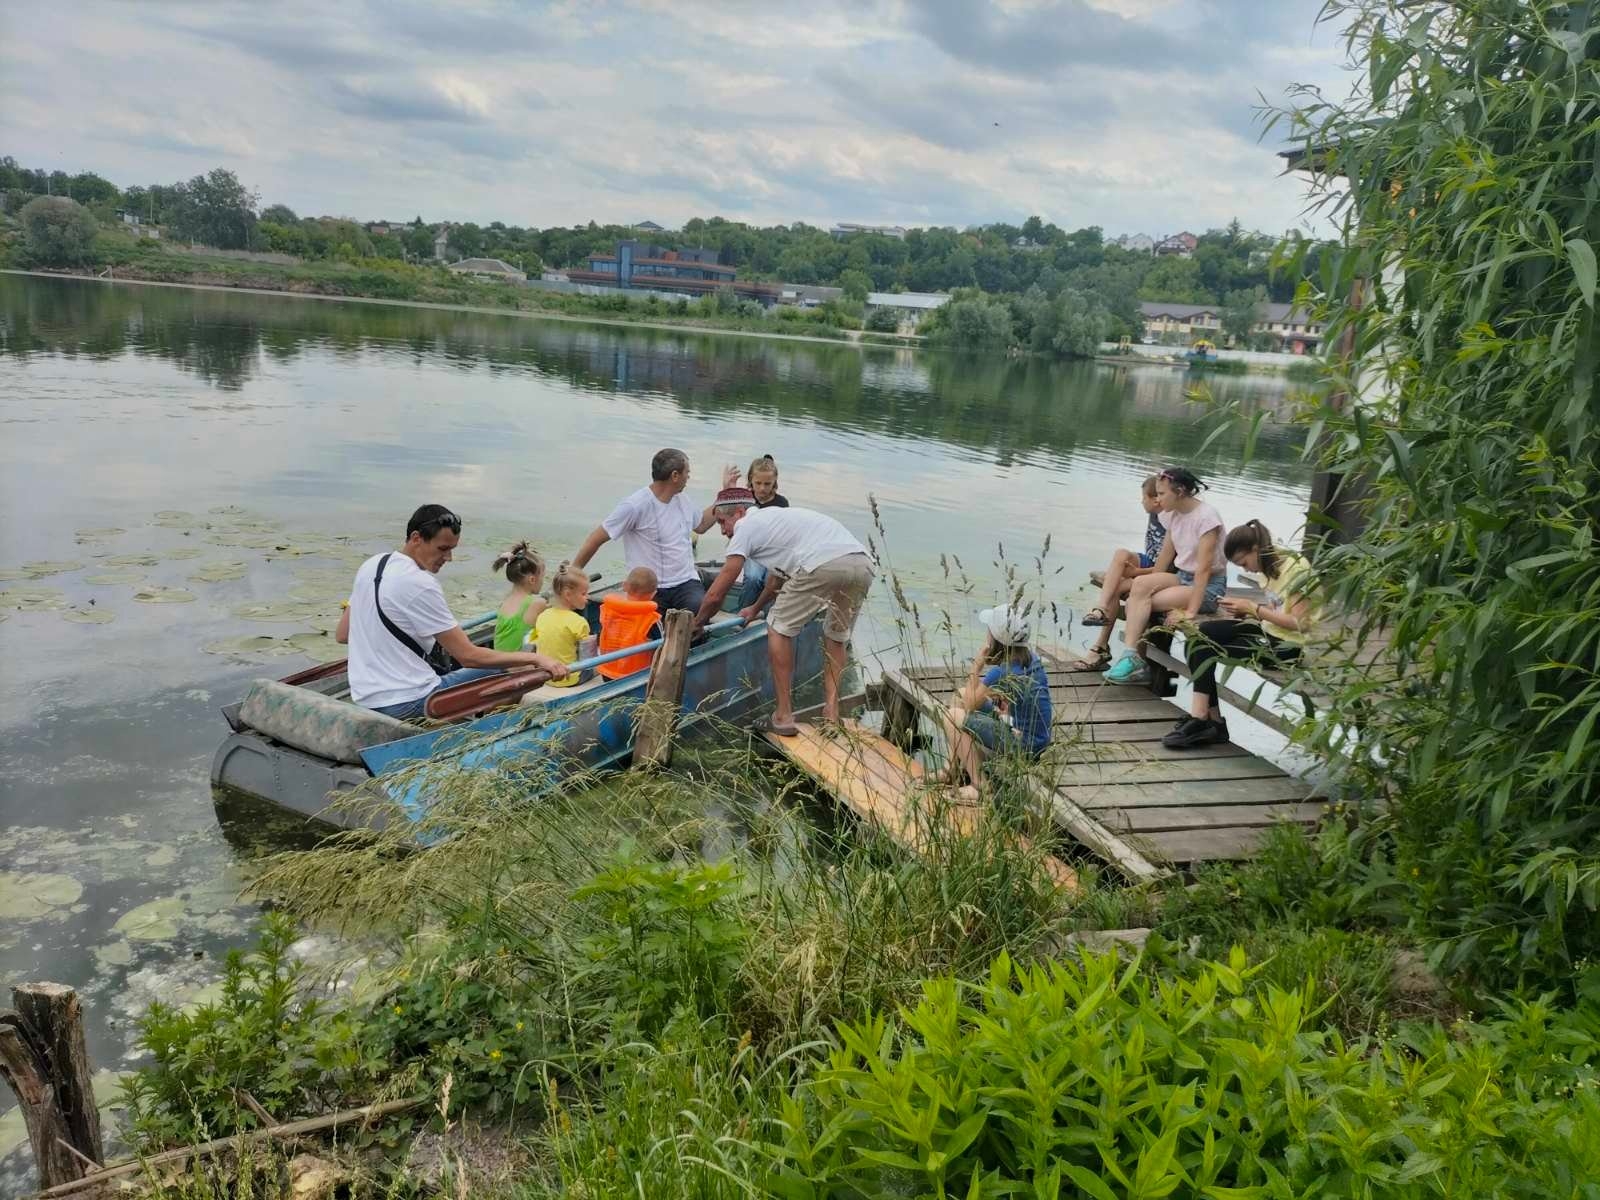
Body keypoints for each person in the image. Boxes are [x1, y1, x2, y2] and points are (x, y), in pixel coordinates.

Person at [335, 505, 567, 719]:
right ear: (416, 538)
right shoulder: (420, 583)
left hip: (365, 699)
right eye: (443, 549)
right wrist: (536, 658)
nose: (449, 558)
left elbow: (343, 634)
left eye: (452, 549)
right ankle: (491, 729)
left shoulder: (373, 565)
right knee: (519, 666)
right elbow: (469, 656)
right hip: (412, 702)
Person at [693, 489, 874, 736]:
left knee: (778, 628)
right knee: (836, 636)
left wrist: (698, 623)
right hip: (862, 564)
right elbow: (775, 579)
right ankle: (831, 715)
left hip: (822, 563)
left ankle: (783, 716)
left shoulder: (745, 526)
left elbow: (718, 590)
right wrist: (755, 608)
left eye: (723, 523)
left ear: (739, 512)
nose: (724, 530)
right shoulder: (777, 520)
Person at [1165, 520, 1319, 749]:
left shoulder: (1295, 568)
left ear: (1255, 549)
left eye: (1244, 563)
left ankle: (1202, 720)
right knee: (1201, 634)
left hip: (1290, 647)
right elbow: (1275, 610)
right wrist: (1244, 613)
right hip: (1269, 631)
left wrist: (1254, 609)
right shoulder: (1268, 564)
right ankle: (1211, 721)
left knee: (1205, 647)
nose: (1246, 570)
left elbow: (1300, 624)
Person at [570, 448, 738, 616]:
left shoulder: (683, 500)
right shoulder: (635, 506)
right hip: (648, 586)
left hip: (685, 582)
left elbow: (701, 525)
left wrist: (726, 493)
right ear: (674, 476)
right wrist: (572, 575)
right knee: (648, 628)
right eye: (687, 472)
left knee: (701, 613)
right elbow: (596, 538)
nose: (688, 477)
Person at [1103, 466, 1227, 685]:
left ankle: (1135, 664)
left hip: (1207, 587)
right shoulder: (1173, 515)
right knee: (1139, 589)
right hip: (1183, 577)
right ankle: (1131, 656)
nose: (1158, 499)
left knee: (1140, 601)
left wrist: (1190, 612)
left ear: (1179, 492)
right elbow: (1165, 557)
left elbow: (1204, 569)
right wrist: (1149, 583)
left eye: (1161, 494)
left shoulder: (1207, 518)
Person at [938, 605, 1053, 801]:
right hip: (1037, 738)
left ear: (996, 640)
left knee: (953, 717)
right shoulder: (1030, 659)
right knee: (960, 694)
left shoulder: (1002, 671)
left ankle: (979, 786)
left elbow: (971, 704)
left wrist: (977, 665)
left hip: (1024, 746)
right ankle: (951, 770)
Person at [1072, 475, 1166, 670]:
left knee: (1116, 585)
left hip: (1163, 574)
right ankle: (1100, 609)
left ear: (1156, 499)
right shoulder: (1156, 513)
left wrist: (1136, 572)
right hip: (1150, 563)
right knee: (1121, 554)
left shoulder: (1173, 521)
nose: (1141, 501)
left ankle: (1101, 647)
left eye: (1144, 497)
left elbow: (1166, 569)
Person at [738, 454, 789, 610]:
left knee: (771, 581)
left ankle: (767, 616)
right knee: (753, 577)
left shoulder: (781, 503)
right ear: (750, 481)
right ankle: (742, 613)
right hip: (753, 549)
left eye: (767, 484)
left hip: (773, 550)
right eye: (758, 483)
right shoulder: (745, 499)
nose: (762, 488)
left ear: (774, 483)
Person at [597, 566, 662, 680]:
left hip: (607, 674)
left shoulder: (607, 610)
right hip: (635, 677)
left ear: (624, 585)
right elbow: (662, 647)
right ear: (653, 594)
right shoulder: (651, 619)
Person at [534, 565, 592, 687]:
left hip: (545, 676)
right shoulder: (579, 622)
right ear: (568, 594)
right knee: (599, 665)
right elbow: (588, 658)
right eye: (584, 594)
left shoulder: (542, 615)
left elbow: (533, 641)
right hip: (569, 678)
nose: (588, 597)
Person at [490, 541, 547, 652]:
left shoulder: (505, 602)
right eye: (543, 577)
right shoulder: (537, 603)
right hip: (522, 666)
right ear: (532, 579)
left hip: (500, 664)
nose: (543, 581)